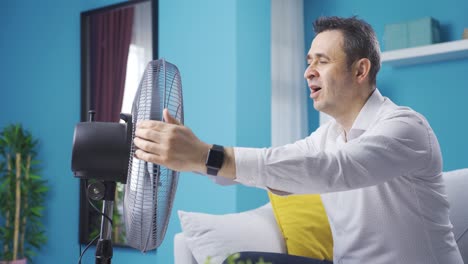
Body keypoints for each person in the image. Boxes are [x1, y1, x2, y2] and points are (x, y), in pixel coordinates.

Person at [133, 16, 463, 264]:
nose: (308, 72)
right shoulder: (327, 136)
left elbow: (333, 170)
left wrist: (206, 154)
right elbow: (280, 167)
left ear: (361, 71)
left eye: (322, 61)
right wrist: (189, 155)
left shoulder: (405, 128)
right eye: (308, 62)